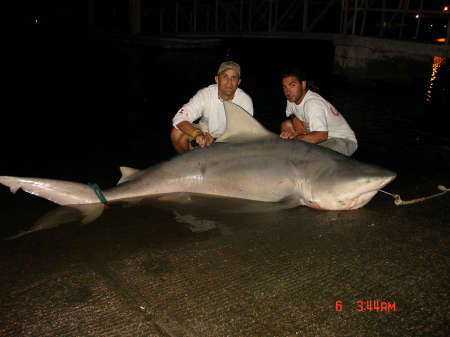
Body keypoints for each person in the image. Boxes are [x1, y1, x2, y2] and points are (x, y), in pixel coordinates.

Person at [171, 61, 254, 153]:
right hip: (204, 134)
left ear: (238, 82)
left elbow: (245, 134)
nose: (229, 82)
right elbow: (179, 118)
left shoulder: (244, 101)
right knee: (177, 134)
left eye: (233, 77)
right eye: (225, 76)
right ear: (217, 79)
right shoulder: (205, 95)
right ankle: (190, 164)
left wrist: (218, 140)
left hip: (228, 140)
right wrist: (198, 133)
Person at [279, 67, 357, 156]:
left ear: (303, 84)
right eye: (285, 87)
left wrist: (295, 139)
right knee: (286, 125)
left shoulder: (313, 104)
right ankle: (291, 157)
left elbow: (322, 135)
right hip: (317, 133)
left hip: (341, 140)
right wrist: (294, 118)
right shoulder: (291, 98)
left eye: (292, 85)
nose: (288, 92)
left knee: (316, 157)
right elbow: (291, 112)